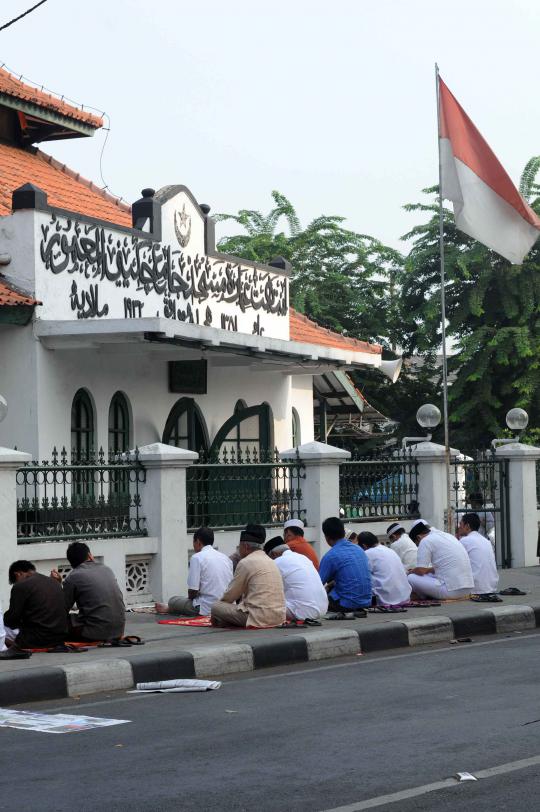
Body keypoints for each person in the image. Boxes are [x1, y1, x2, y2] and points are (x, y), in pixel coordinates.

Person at [211, 525, 286, 628]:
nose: (239, 550)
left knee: (216, 607)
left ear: (246, 547)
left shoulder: (245, 562)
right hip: (279, 618)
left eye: (239, 546)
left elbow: (230, 596)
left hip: (258, 618)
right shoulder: (270, 561)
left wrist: (218, 612)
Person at [52, 542, 125, 642]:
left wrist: (55, 585)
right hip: (119, 631)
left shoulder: (73, 576)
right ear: (90, 555)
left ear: (71, 563)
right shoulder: (107, 569)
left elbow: (61, 610)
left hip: (94, 633)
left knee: (56, 622)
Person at [155, 527, 233, 616]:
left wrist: (191, 600)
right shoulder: (225, 558)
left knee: (173, 600)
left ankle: (170, 608)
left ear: (198, 542)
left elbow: (192, 591)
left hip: (206, 607)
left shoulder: (197, 557)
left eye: (193, 542)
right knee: (184, 601)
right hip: (225, 606)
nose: (193, 545)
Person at [0, 561, 68, 660]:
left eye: (15, 580)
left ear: (18, 574)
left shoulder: (20, 586)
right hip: (59, 638)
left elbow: (12, 619)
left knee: (2, 626)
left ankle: (16, 648)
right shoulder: (55, 582)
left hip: (36, 639)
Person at [264, 536, 328, 621]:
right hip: (323, 609)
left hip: (303, 613)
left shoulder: (277, 562)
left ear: (273, 554)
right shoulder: (303, 558)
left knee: (263, 603)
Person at [407, 519, 474, 600]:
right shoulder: (446, 535)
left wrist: (411, 572)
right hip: (468, 589)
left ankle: (421, 596)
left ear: (418, 537)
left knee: (411, 577)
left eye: (417, 544)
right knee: (429, 574)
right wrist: (427, 570)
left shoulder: (425, 541)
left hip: (451, 591)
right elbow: (434, 569)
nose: (418, 546)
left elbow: (421, 571)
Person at [318, 517, 372, 614]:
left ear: (326, 537)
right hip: (367, 601)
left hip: (345, 604)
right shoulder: (359, 550)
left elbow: (317, 584)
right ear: (343, 532)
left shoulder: (331, 556)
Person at [357, 532, 411, 606]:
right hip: (405, 597)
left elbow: (362, 577)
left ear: (364, 545)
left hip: (386, 599)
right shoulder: (390, 550)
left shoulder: (367, 553)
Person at [457, 512, 499, 595]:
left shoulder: (465, 541)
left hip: (476, 589)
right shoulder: (486, 541)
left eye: (461, 524)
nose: (459, 527)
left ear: (467, 526)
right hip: (492, 587)